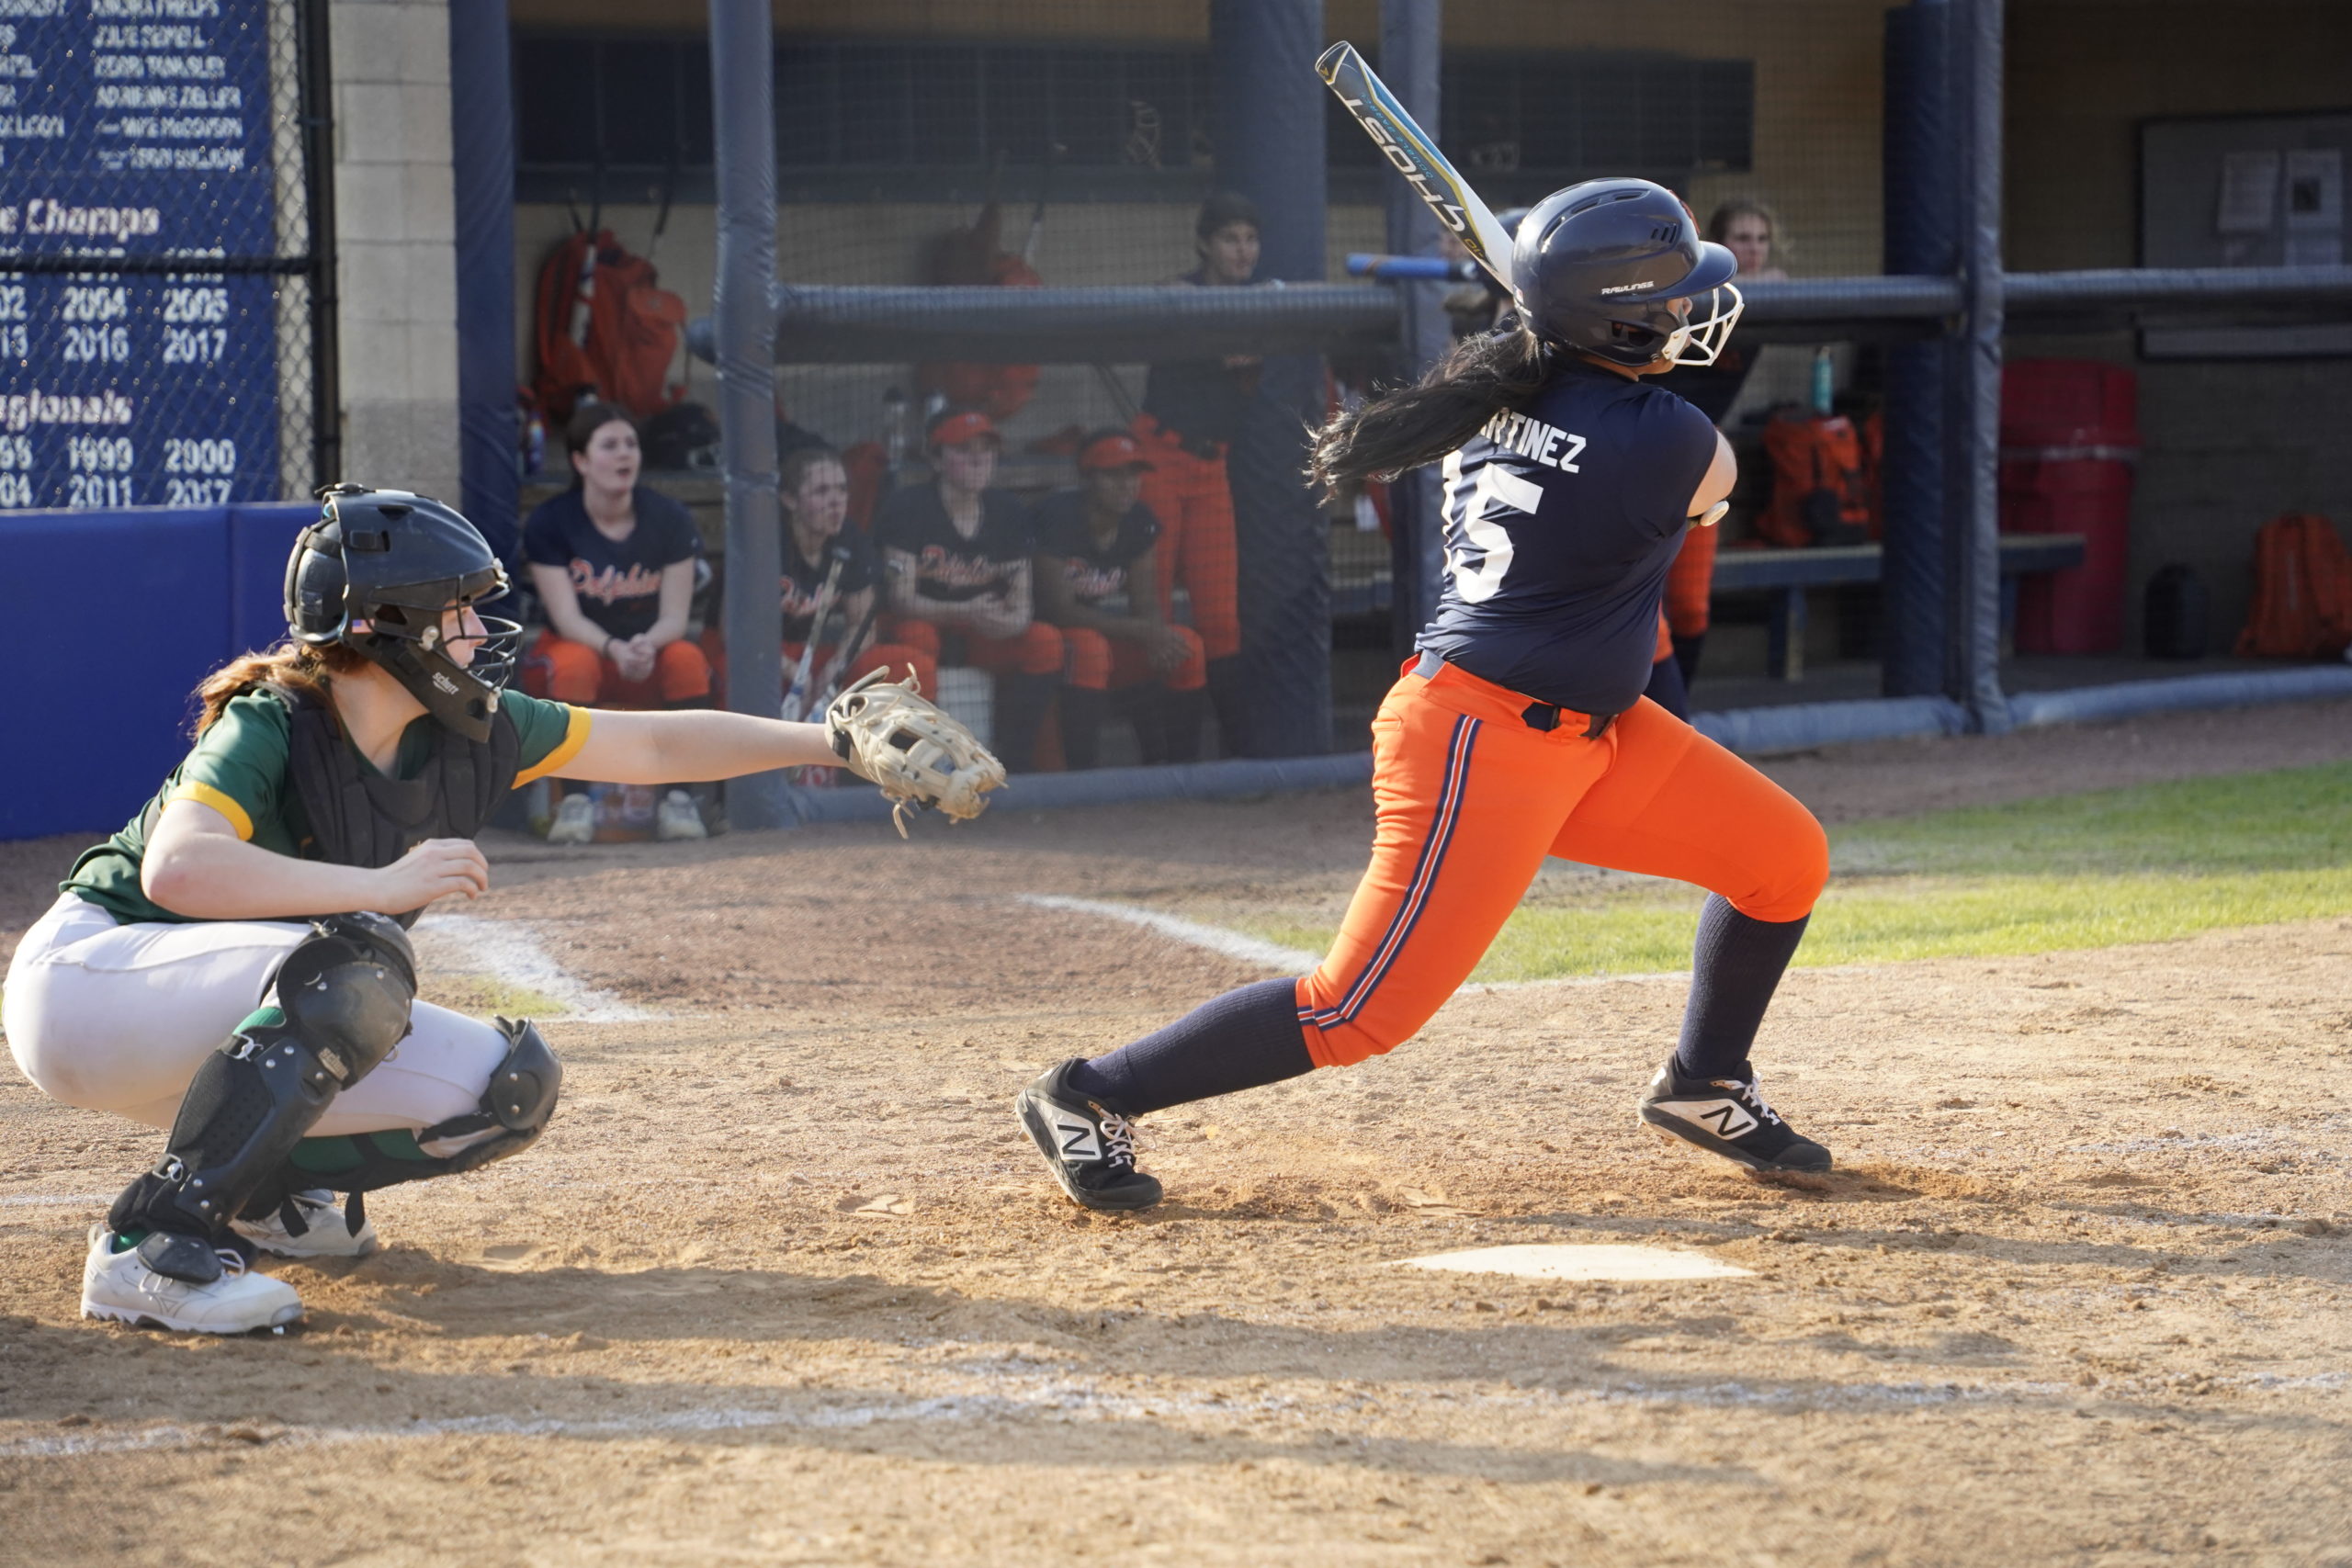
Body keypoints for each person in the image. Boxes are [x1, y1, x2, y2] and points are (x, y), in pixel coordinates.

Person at [1013, 178, 1833, 1212]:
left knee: (1781, 859)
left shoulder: (1494, 394)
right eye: (1669, 298)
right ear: (1615, 317)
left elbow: (1604, 432)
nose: (1690, 309)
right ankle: (1086, 1095)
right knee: (1354, 1012)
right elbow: (1708, 481)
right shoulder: (1662, 434)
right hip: (1478, 744)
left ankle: (1703, 1084)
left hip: (1595, 734)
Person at [2, 486, 932, 1333]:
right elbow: (179, 872)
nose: (474, 634)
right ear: (383, 627)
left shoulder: (467, 733)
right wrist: (380, 887)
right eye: (453, 612)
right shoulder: (278, 718)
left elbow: (650, 746)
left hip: (218, 1015)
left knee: (505, 1089)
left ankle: (257, 1193)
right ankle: (148, 1244)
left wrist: (832, 739)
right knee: (359, 966)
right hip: (92, 985)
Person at [520, 402, 715, 843]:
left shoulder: (669, 518)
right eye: (609, 446)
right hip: (584, 650)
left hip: (649, 650)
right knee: (573, 664)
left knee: (686, 658)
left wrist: (644, 645)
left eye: (630, 444)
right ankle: (574, 803)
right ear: (580, 461)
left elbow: (676, 618)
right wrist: (615, 648)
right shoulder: (551, 522)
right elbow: (566, 617)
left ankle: (679, 801)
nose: (624, 454)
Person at [1130, 192, 1260, 740]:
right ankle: (1160, 756)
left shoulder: (1263, 304)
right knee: (1154, 607)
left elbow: (1247, 376)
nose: (1242, 249)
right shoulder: (1180, 293)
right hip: (1158, 456)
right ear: (1205, 243)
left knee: (1220, 617)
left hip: (1212, 469)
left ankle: (1239, 755)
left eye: (1250, 238)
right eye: (1230, 238)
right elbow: (1160, 295)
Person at [1652, 197, 1792, 690]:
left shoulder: (1770, 294)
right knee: (1641, 611)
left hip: (1698, 462)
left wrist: (1766, 285)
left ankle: (1679, 711)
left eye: (1760, 240)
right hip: (1636, 453)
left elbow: (1774, 286)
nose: (1752, 250)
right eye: (1740, 239)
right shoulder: (1680, 296)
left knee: (1690, 607)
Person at [873, 409, 1060, 773]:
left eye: (986, 450)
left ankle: (1013, 764)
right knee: (916, 638)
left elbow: (1021, 602)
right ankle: (916, 768)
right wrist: (965, 611)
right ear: (935, 459)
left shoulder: (1008, 511)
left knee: (1045, 642)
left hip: (982, 631)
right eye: (963, 449)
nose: (978, 459)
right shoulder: (908, 507)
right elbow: (901, 598)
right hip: (923, 622)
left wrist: (1013, 622)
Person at [715, 443, 937, 713]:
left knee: (909, 665)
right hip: (756, 654)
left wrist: (834, 669)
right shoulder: (764, 541)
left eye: (842, 490)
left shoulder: (850, 538)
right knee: (743, 673)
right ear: (789, 499)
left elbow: (862, 625)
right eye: (821, 491)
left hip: (813, 653)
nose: (836, 501)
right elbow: (736, 631)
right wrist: (792, 670)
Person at [1032, 429, 1208, 768]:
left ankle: (1181, 773)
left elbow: (1146, 606)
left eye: (1134, 473)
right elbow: (1060, 612)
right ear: (1089, 477)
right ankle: (1084, 777)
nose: (1127, 484)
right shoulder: (1058, 516)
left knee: (1186, 647)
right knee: (1089, 648)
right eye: (1113, 474)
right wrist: (1143, 631)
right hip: (1048, 641)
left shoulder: (1139, 520)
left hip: (1103, 634)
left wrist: (1157, 637)